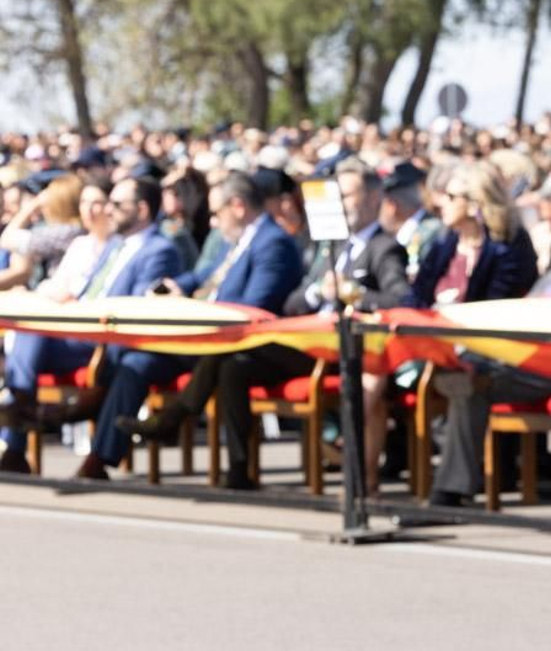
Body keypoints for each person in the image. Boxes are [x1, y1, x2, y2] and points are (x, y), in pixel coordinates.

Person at [118, 160, 411, 491]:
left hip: (341, 351)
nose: (339, 204)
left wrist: (351, 293)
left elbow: (401, 300)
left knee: (232, 349)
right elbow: (294, 302)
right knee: (233, 364)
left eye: (346, 195)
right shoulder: (332, 246)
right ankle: (240, 469)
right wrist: (319, 291)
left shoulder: (384, 248)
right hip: (304, 340)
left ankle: (177, 417)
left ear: (373, 198)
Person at [74, 171, 305, 481]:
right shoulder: (237, 241)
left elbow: (254, 306)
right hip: (206, 337)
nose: (212, 221)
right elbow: (205, 275)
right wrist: (174, 286)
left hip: (246, 342)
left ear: (237, 206)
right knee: (137, 362)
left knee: (228, 360)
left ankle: (174, 419)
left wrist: (199, 309)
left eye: (216, 212)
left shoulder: (272, 243)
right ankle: (101, 456)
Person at [0, 178, 181, 474]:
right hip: (79, 329)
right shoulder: (116, 247)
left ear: (143, 209)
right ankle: (18, 423)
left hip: (107, 338)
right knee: (28, 329)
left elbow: (138, 306)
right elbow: (88, 290)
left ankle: (19, 413)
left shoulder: (159, 250)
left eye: (117, 204)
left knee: (35, 334)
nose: (109, 210)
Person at [405, 160, 540, 508]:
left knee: (467, 381)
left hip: (500, 353)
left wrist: (455, 310)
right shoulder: (446, 242)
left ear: (475, 203)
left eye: (450, 196)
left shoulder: (508, 246)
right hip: (439, 346)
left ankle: (448, 492)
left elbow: (499, 309)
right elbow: (416, 295)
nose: (440, 203)